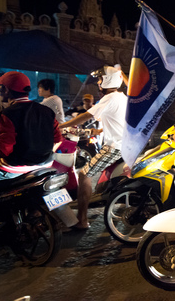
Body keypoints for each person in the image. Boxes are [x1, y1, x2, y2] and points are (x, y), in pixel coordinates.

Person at [0, 72, 63, 218]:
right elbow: (58, 140)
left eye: (0, 87)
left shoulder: (7, 114)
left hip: (13, 167)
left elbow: (2, 150)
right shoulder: (46, 111)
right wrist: (41, 154)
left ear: (6, 90)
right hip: (45, 164)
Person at [59, 66, 127, 229]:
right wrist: (95, 131)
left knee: (84, 174)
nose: (98, 82)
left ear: (109, 80)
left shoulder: (110, 97)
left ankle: (82, 220)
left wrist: (61, 126)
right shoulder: (121, 97)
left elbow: (86, 115)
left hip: (114, 147)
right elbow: (114, 121)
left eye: (100, 79)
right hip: (121, 143)